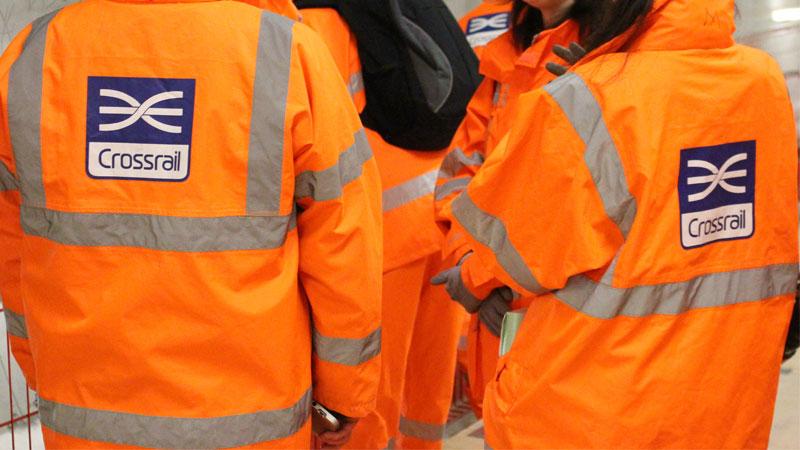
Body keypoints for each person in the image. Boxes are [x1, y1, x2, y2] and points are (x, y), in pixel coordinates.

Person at [0, 0, 383, 448]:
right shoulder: (286, 54)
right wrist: (342, 398)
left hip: (86, 422)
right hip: (254, 426)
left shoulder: (31, 57)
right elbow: (345, 247)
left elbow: (14, 248)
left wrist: (40, 364)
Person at [436, 0, 799, 447]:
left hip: (589, 411)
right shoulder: (761, 81)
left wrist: (471, 278)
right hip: (726, 410)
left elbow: (512, 249)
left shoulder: (592, 95)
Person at [297, 4, 463, 449]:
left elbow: (326, 154)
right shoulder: (386, 9)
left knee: (368, 401)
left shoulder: (314, 18)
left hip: (384, 232)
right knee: (423, 397)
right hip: (439, 210)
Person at [435, 0, 583, 417]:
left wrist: (482, 276)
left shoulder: (612, 59)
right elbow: (462, 174)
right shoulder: (506, 61)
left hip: (576, 352)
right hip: (505, 355)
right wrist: (469, 260)